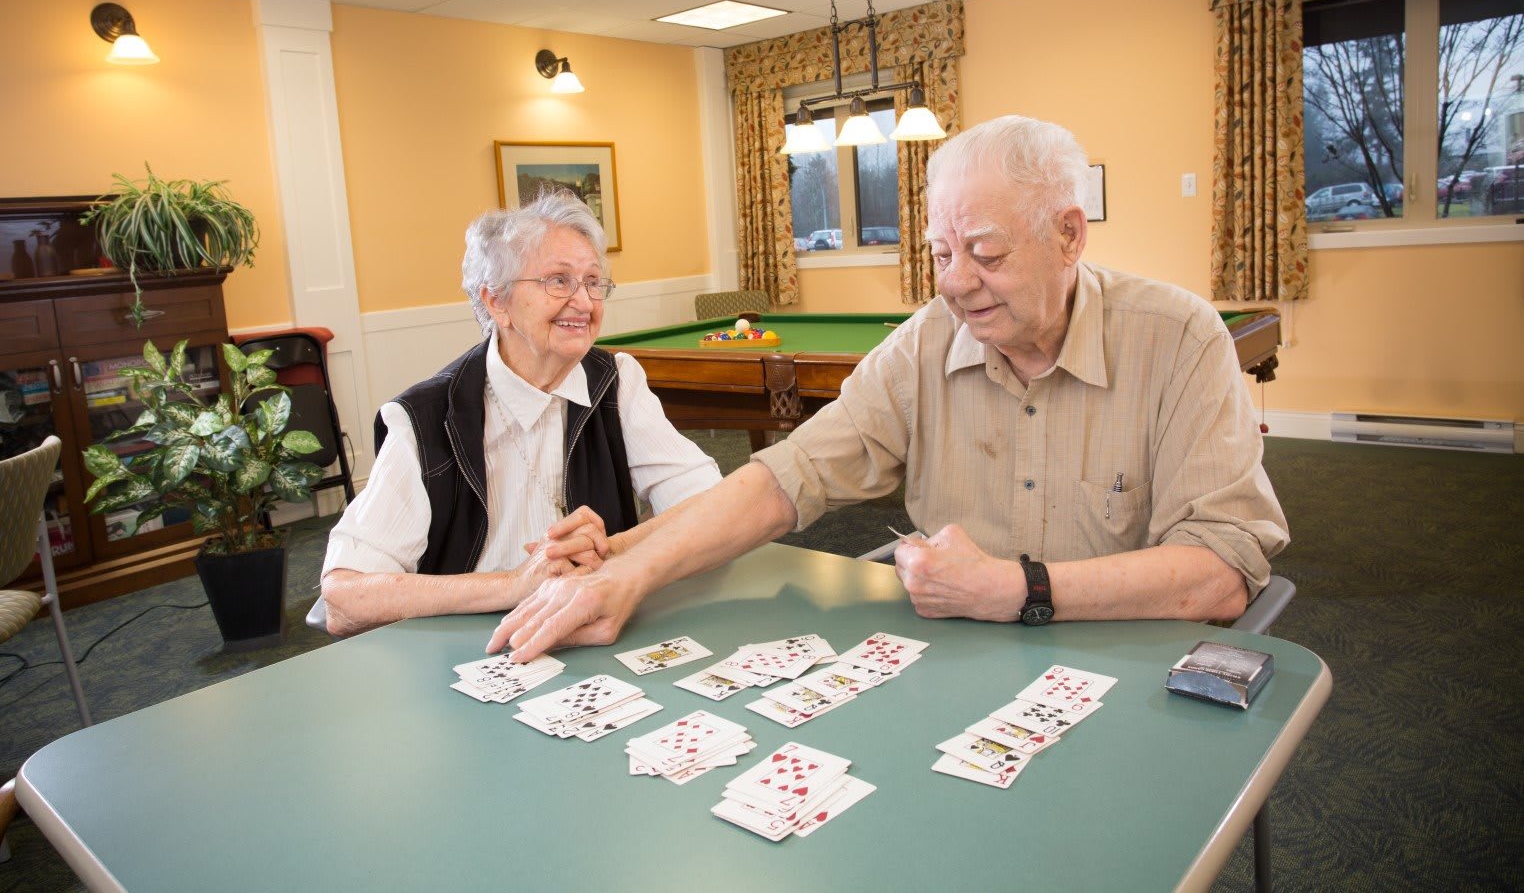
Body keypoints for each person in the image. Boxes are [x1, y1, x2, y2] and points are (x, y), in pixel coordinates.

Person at [489, 115, 1290, 660]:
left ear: (1069, 235)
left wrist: (1015, 588)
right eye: (942, 254)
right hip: (959, 658)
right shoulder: (923, 346)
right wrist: (626, 561)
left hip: (1130, 657)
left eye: (986, 252)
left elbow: (1222, 568)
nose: (958, 283)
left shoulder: (1180, 337)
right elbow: (783, 479)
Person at [318, 191, 721, 636]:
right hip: (470, 654)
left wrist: (606, 551)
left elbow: (713, 508)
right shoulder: (424, 419)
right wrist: (515, 583)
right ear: (497, 302)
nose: (584, 303)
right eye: (558, 281)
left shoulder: (615, 381)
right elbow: (344, 597)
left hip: (601, 634)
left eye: (592, 281)